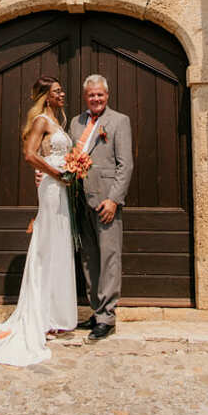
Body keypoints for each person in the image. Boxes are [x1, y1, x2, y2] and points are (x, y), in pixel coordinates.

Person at [0, 76, 77, 366]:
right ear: (46, 95)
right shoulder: (42, 121)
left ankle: (53, 315)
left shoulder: (58, 122)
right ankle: (40, 316)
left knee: (58, 246)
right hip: (52, 187)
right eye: (58, 90)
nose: (62, 93)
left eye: (61, 89)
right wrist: (55, 173)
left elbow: (55, 154)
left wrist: (70, 168)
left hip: (62, 188)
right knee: (47, 246)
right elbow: (29, 154)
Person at [70, 74, 133, 341]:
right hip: (81, 199)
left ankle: (108, 316)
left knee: (109, 257)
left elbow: (125, 164)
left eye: (100, 95)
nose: (96, 99)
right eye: (91, 95)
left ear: (107, 96)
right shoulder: (76, 122)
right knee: (88, 259)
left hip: (106, 201)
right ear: (86, 97)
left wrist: (114, 199)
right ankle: (96, 311)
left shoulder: (119, 121)